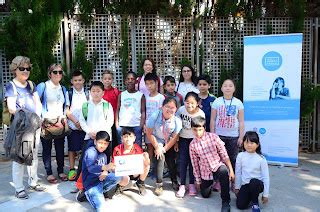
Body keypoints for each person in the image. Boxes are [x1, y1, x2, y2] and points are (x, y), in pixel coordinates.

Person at [5, 56, 45, 199]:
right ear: (15, 69)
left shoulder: (31, 84)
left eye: (28, 68)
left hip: (34, 125)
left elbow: (38, 103)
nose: (25, 71)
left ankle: (33, 181)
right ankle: (19, 188)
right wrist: (26, 115)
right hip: (22, 127)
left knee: (33, 154)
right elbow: (11, 108)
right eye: (22, 68)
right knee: (20, 157)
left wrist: (38, 117)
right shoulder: (11, 86)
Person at [189, 116, 235, 212]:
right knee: (205, 194)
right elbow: (195, 164)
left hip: (217, 165)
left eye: (200, 129)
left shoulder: (213, 137)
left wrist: (231, 170)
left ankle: (226, 202)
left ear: (204, 128)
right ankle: (213, 182)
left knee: (223, 172)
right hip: (205, 170)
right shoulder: (192, 145)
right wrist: (198, 180)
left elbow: (224, 154)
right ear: (191, 129)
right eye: (195, 130)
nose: (197, 133)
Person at [37, 63, 69, 184]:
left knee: (60, 148)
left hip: (59, 122)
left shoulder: (63, 88)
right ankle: (49, 172)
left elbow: (65, 105)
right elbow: (36, 103)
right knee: (47, 149)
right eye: (55, 72)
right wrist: (41, 119)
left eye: (60, 72)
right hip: (46, 122)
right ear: (50, 74)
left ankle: (60, 171)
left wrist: (63, 118)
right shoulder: (43, 86)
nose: (57, 74)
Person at [76, 81, 114, 181]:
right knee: (84, 160)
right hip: (89, 137)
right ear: (90, 92)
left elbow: (110, 121)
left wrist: (100, 136)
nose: (96, 93)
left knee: (105, 160)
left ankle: (104, 180)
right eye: (93, 91)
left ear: (103, 93)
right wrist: (89, 132)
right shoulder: (85, 106)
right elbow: (82, 121)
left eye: (98, 91)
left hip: (104, 139)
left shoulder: (107, 105)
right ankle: (80, 182)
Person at [82, 131, 128, 211]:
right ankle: (86, 193)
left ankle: (100, 192)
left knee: (118, 176)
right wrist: (105, 167)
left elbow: (105, 169)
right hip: (91, 185)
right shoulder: (90, 152)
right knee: (102, 209)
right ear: (95, 141)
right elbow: (91, 168)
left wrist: (105, 171)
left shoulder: (103, 154)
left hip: (100, 181)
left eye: (105, 143)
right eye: (100, 142)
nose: (102, 146)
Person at [146, 97, 182, 196]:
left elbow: (175, 137)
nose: (169, 109)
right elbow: (149, 133)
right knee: (159, 157)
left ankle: (174, 180)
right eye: (167, 107)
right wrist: (157, 147)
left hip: (169, 141)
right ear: (162, 107)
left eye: (172, 107)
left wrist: (164, 149)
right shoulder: (155, 115)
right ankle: (159, 184)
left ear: (176, 109)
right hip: (157, 139)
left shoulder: (177, 120)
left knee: (171, 160)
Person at [210, 79, 244, 173]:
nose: (228, 88)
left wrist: (241, 137)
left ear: (234, 89)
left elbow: (241, 121)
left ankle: (233, 180)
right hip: (219, 136)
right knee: (219, 159)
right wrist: (213, 135)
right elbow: (212, 119)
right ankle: (219, 181)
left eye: (230, 86)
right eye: (225, 86)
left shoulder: (238, 103)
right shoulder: (217, 101)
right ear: (221, 88)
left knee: (233, 159)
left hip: (234, 137)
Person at [175, 92, 205, 198]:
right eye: (187, 103)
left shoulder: (201, 114)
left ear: (197, 103)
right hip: (183, 139)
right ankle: (182, 185)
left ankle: (192, 184)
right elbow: (176, 126)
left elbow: (201, 131)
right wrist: (176, 141)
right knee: (183, 162)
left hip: (194, 140)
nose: (189, 105)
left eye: (192, 103)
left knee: (193, 163)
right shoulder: (181, 110)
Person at [235, 131, 270, 212]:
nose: (249, 145)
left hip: (257, 185)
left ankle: (255, 203)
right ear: (243, 143)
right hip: (246, 185)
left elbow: (266, 177)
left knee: (253, 182)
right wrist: (237, 187)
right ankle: (251, 196)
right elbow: (238, 172)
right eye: (246, 142)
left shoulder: (261, 158)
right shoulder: (240, 156)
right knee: (240, 205)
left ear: (257, 144)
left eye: (252, 142)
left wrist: (265, 194)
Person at [112, 127, 150, 196]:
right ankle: (120, 186)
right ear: (122, 138)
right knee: (114, 170)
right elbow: (114, 164)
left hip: (135, 172)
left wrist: (146, 158)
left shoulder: (137, 148)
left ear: (134, 138)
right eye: (126, 136)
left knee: (146, 163)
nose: (128, 139)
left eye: (130, 136)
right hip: (123, 173)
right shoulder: (117, 149)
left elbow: (146, 164)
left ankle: (140, 183)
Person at [65, 70, 88, 181]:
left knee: (84, 148)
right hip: (73, 126)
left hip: (85, 127)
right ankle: (72, 169)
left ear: (83, 81)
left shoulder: (87, 93)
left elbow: (89, 109)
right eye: (75, 80)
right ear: (72, 81)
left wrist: (83, 124)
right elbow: (67, 111)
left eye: (80, 80)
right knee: (72, 148)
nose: (78, 82)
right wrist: (76, 122)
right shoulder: (69, 93)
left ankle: (83, 169)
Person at [116, 71, 146, 147]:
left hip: (136, 125)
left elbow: (143, 111)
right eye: (128, 79)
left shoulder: (140, 95)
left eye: (132, 79)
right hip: (123, 125)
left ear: (136, 81)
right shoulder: (121, 95)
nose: (130, 81)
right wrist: (117, 125)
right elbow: (117, 110)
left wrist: (140, 126)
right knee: (122, 147)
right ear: (125, 81)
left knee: (137, 146)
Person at [144, 72, 165, 164]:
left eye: (151, 83)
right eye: (147, 84)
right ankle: (150, 166)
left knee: (158, 145)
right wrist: (144, 124)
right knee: (149, 146)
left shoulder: (161, 98)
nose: (149, 86)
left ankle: (161, 167)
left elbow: (162, 113)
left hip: (157, 127)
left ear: (156, 83)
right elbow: (144, 111)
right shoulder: (145, 97)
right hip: (148, 127)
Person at [102, 70, 121, 153]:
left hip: (113, 121)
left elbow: (119, 107)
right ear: (102, 80)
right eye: (105, 78)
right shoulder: (100, 92)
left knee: (115, 142)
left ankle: (114, 159)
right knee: (104, 141)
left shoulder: (116, 92)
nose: (107, 80)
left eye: (109, 79)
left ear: (112, 80)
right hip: (102, 121)